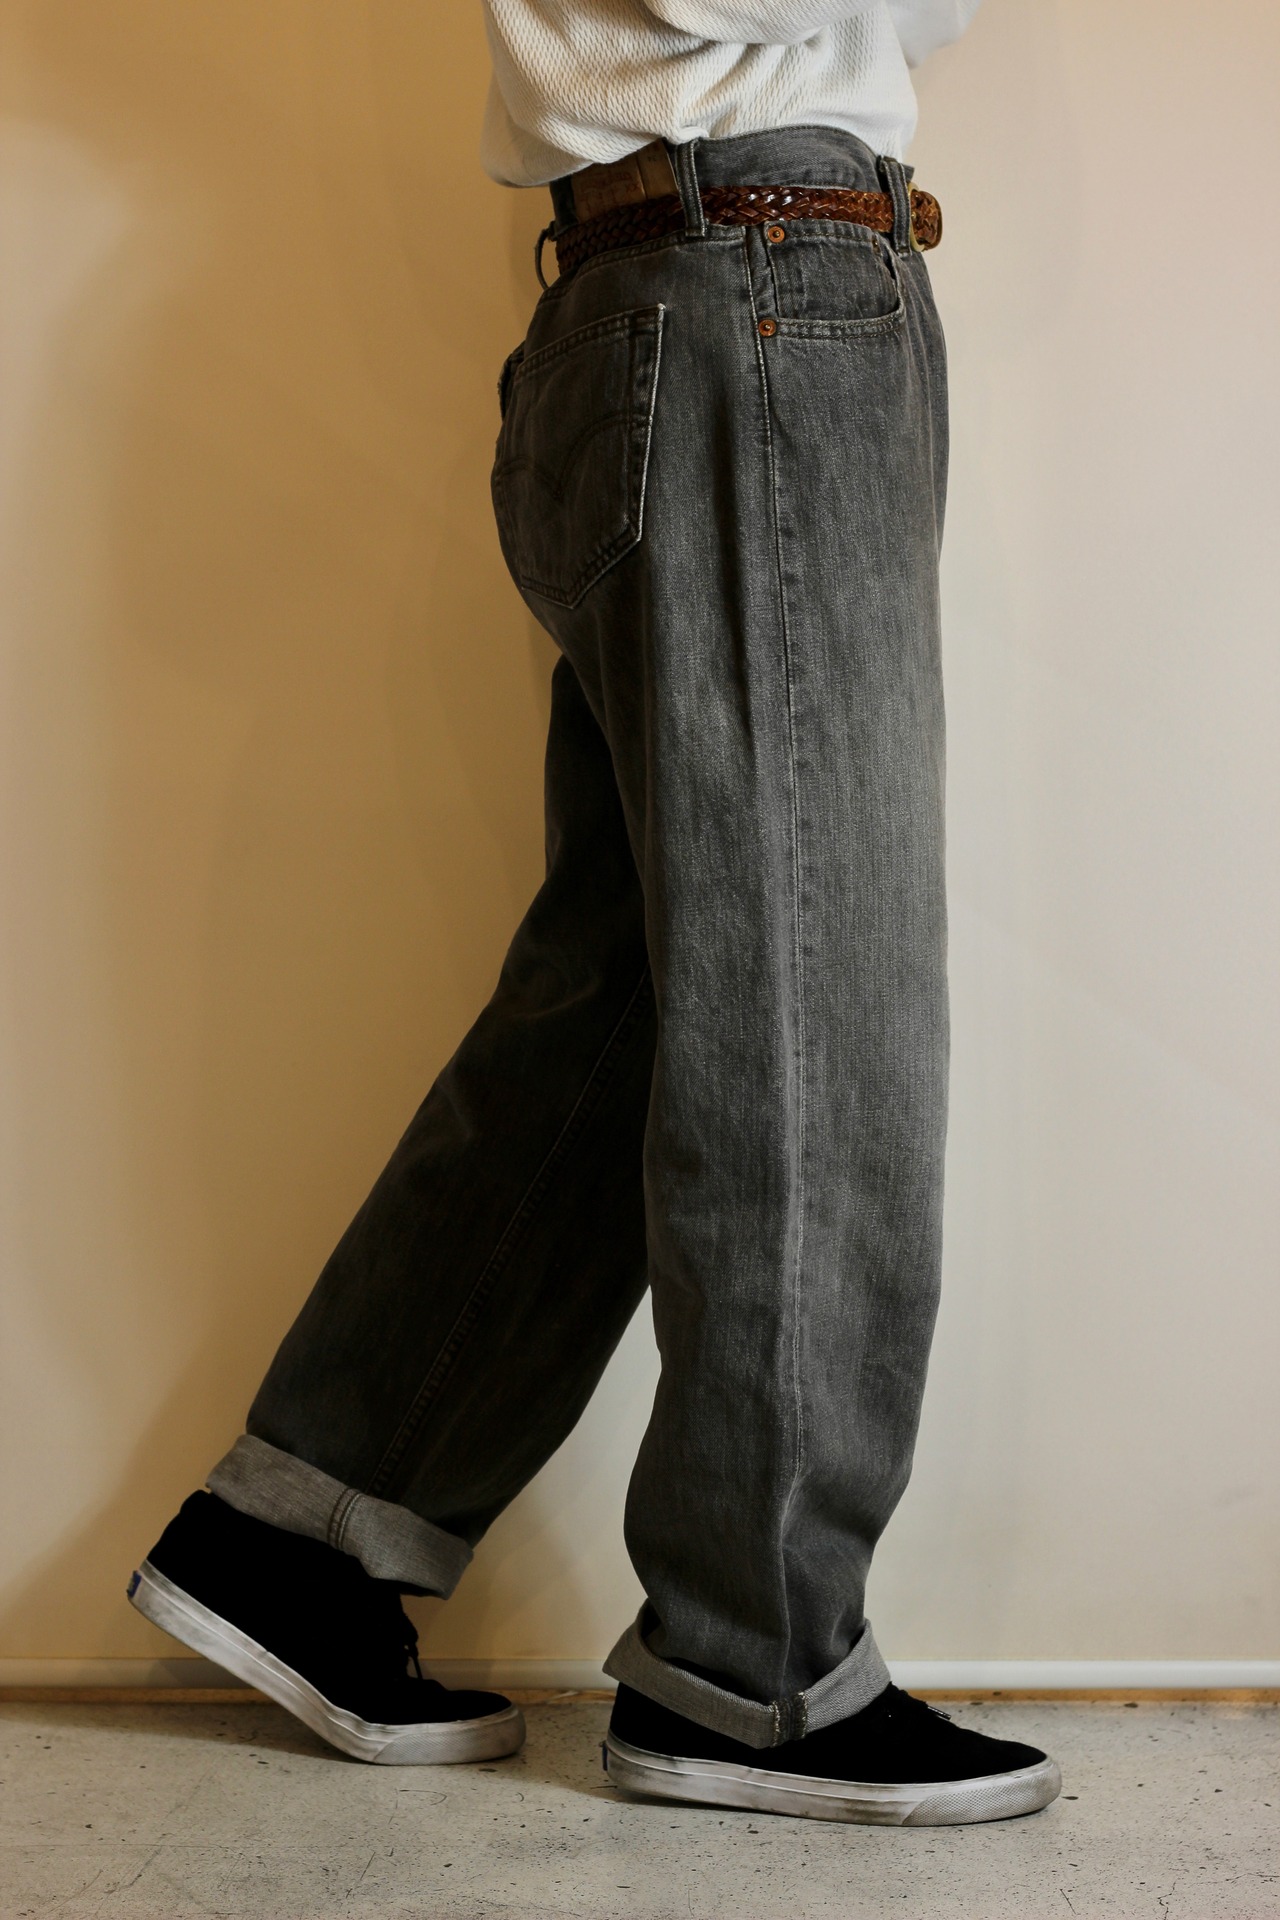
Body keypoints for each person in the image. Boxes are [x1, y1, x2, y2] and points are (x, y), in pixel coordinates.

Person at [129, 0, 1062, 1826]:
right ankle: (753, 1664)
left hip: (702, 283)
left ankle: (305, 1531)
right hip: (757, 283)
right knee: (815, 993)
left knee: (641, 993)